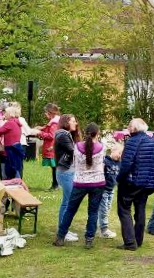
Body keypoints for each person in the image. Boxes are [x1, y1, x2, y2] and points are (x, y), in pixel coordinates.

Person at [116, 118, 154, 251]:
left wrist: (119, 178)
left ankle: (130, 242)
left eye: (129, 126)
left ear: (134, 129)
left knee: (124, 209)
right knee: (140, 209)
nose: (128, 129)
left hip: (133, 181)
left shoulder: (132, 142)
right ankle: (138, 240)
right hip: (149, 183)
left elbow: (126, 164)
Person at [54, 123, 106, 248]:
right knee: (93, 212)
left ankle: (60, 237)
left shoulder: (77, 147)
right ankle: (89, 240)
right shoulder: (101, 147)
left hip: (80, 182)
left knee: (70, 210)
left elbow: (75, 162)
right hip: (98, 182)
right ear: (97, 134)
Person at [54, 115, 80, 243]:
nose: (76, 123)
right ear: (66, 122)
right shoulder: (62, 135)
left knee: (67, 201)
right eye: (73, 121)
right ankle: (62, 231)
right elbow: (73, 151)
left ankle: (63, 229)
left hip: (67, 172)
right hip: (65, 173)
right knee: (68, 203)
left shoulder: (66, 134)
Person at [97, 132, 123, 239]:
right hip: (103, 189)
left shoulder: (120, 163)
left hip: (111, 189)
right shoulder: (105, 160)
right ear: (113, 150)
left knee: (107, 208)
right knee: (103, 209)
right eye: (119, 153)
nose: (120, 155)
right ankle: (104, 230)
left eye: (122, 153)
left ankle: (96, 225)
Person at [0, 105, 26, 180]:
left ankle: (10, 184)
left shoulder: (9, 123)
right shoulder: (16, 122)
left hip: (10, 148)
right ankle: (17, 181)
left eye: (5, 113)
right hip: (16, 147)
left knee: (9, 168)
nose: (4, 115)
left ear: (10, 114)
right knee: (16, 167)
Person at [36, 104, 60, 190]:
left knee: (54, 167)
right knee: (54, 167)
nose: (45, 114)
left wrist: (39, 133)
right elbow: (48, 130)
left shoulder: (54, 123)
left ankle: (55, 185)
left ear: (51, 113)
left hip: (52, 147)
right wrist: (42, 129)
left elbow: (51, 135)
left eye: (46, 112)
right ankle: (55, 184)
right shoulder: (53, 121)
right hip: (52, 147)